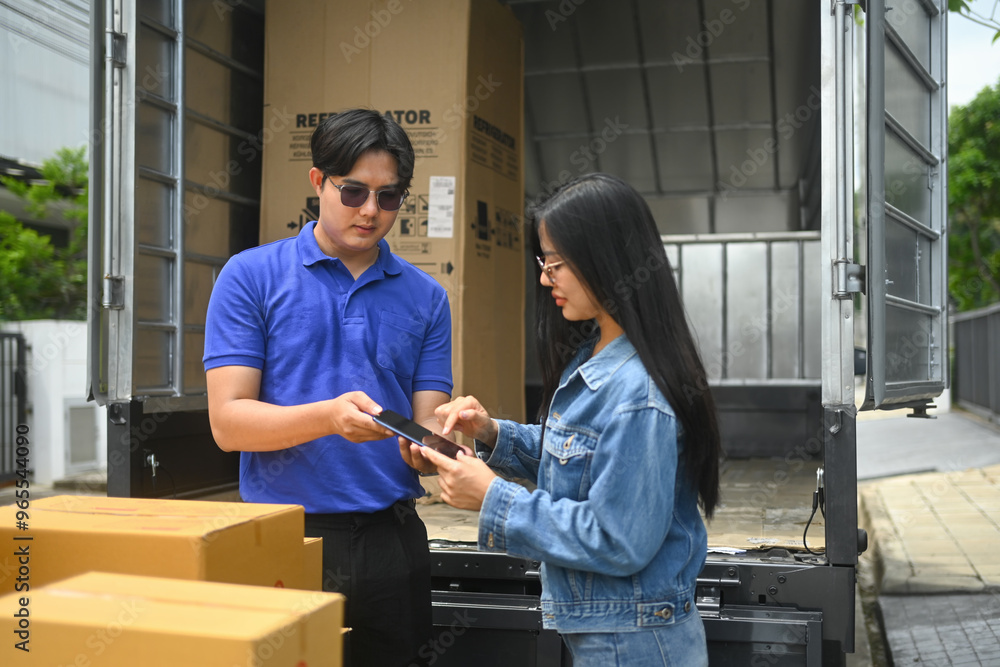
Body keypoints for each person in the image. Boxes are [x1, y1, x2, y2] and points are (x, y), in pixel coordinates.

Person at [404, 173, 721, 667]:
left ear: (606, 259)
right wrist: (489, 432)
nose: (545, 278)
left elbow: (618, 540)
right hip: (614, 631)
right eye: (543, 262)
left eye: (556, 263)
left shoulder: (638, 393)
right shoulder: (597, 351)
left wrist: (493, 497)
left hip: (637, 641)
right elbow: (583, 458)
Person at [204, 108, 452, 667]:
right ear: (318, 181)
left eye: (389, 197)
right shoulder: (250, 276)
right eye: (354, 191)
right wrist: (328, 418)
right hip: (286, 536)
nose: (371, 211)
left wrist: (436, 446)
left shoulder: (427, 297)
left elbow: (427, 423)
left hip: (394, 540)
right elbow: (228, 424)